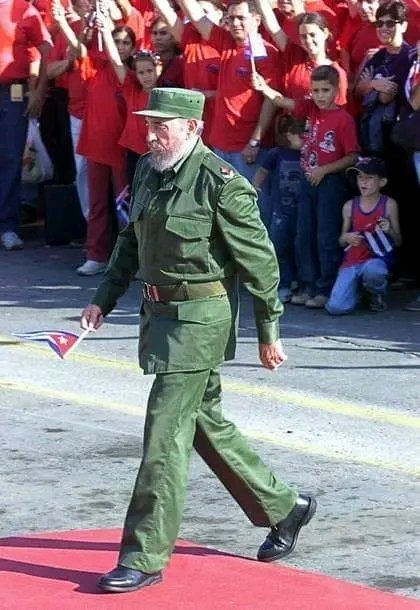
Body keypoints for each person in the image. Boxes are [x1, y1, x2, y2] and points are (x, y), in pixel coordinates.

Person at [80, 87, 317, 594]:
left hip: (200, 321)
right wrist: (105, 296)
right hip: (159, 316)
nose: (150, 134)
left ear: (192, 128)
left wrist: (268, 330)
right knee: (202, 423)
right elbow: (129, 240)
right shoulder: (150, 168)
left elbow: (260, 263)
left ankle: (143, 556)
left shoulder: (220, 183)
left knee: (163, 435)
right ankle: (285, 506)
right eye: (149, 124)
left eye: (160, 126)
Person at [252, 65, 359, 308]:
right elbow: (281, 101)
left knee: (325, 236)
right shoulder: (310, 109)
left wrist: (325, 170)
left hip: (330, 183)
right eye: (316, 90)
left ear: (336, 90)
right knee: (304, 236)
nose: (320, 95)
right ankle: (308, 286)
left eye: (325, 90)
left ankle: (325, 289)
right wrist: (263, 86)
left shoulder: (344, 119)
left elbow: (352, 156)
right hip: (307, 181)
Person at [0, 0, 52, 250]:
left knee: (11, 157)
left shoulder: (25, 9)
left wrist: (40, 90)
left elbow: (46, 49)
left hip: (15, 90)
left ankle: (8, 227)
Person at [326, 156, 402, 314]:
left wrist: (389, 230)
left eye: (369, 178)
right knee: (336, 308)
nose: (363, 182)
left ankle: (375, 294)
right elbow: (341, 240)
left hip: (376, 259)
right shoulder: (349, 206)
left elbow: (398, 241)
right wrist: (347, 237)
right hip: (352, 261)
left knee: (374, 271)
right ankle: (359, 293)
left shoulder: (389, 204)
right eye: (360, 177)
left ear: (382, 182)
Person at [252, 116, 305, 303]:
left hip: (303, 211)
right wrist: (254, 189)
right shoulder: (277, 153)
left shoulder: (309, 153)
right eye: (302, 136)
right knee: (279, 247)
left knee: (300, 247)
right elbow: (262, 172)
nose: (306, 140)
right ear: (290, 135)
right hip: (281, 211)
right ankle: (283, 285)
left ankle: (299, 284)